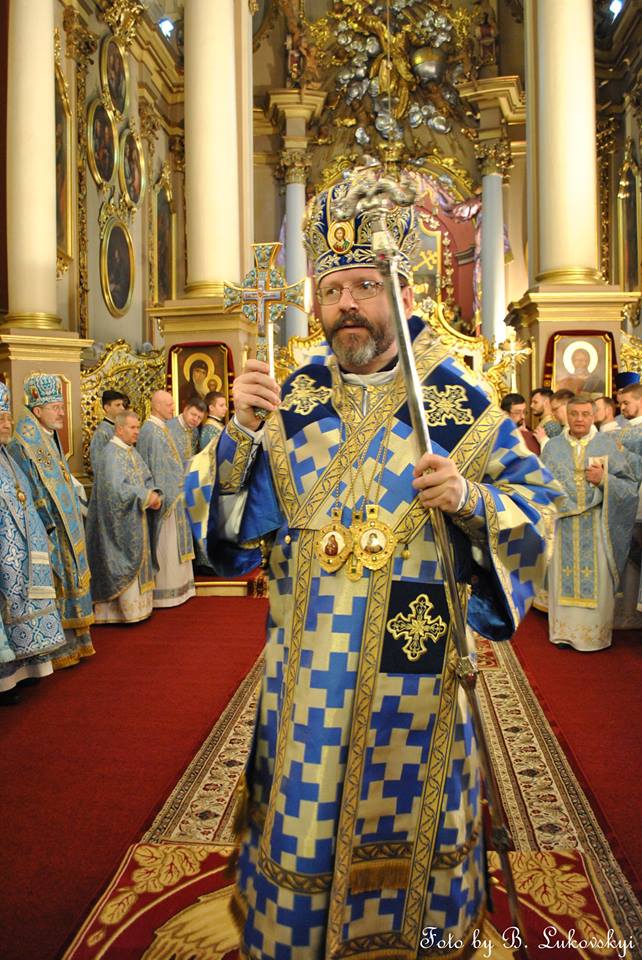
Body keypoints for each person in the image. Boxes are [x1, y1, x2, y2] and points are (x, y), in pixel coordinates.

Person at [207, 174, 559, 959]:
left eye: (366, 286)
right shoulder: (289, 401)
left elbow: (539, 509)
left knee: (413, 816)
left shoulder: (459, 406)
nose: (348, 305)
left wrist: (470, 497)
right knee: (306, 817)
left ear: (403, 294)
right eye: (333, 290)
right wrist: (239, 435)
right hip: (308, 681)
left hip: (417, 665)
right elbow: (228, 540)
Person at [10, 373, 94, 668]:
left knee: (72, 579)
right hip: (50, 528)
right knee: (58, 583)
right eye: (55, 407)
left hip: (65, 524)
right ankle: (58, 651)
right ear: (37, 410)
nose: (61, 413)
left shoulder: (49, 435)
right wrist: (46, 527)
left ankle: (78, 643)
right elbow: (29, 489)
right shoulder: (23, 443)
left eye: (61, 406)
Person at [541, 397, 638, 652]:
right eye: (574, 413)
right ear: (567, 415)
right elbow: (540, 485)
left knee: (597, 580)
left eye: (585, 414)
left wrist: (604, 480)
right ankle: (563, 634)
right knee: (562, 578)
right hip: (563, 526)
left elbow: (629, 487)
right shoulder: (552, 447)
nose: (579, 419)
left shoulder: (606, 444)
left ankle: (594, 637)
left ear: (593, 416)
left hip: (597, 525)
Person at [0, 382, 66, 705]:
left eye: (7, 417)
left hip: (20, 552)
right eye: (0, 419)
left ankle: (22, 671)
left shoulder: (6, 457)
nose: (7, 423)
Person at [86, 411, 163, 624]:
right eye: (133, 428)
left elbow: (146, 478)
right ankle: (119, 613)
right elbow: (115, 490)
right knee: (120, 561)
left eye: (138, 427)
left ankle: (140, 609)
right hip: (118, 524)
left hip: (137, 517)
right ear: (120, 429)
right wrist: (145, 496)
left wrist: (154, 493)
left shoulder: (131, 451)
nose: (137, 432)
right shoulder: (111, 454)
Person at [137, 390, 195, 608]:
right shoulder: (150, 431)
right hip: (165, 499)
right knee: (166, 546)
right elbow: (153, 466)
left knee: (174, 545)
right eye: (169, 404)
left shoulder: (162, 427)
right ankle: (166, 594)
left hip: (176, 493)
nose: (173, 408)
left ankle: (181, 590)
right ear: (156, 406)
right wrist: (165, 493)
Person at [613, 383, 642, 628]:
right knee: (630, 558)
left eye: (626, 403)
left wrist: (621, 451)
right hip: (626, 504)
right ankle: (628, 612)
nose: (622, 407)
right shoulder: (624, 429)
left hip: (639, 503)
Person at [89, 389, 129, 472]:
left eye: (122, 405)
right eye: (118, 405)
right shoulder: (101, 432)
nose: (122, 408)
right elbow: (98, 464)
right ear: (107, 407)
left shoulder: (121, 428)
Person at [167, 396, 206, 466]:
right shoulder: (168, 428)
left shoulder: (195, 431)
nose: (195, 419)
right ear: (185, 410)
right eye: (193, 414)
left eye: (199, 418)